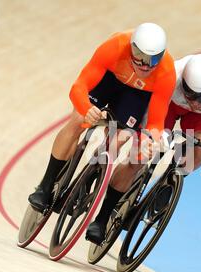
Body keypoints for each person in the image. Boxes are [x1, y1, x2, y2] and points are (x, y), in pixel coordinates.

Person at [27, 22, 176, 244]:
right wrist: (87, 110)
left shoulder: (166, 72)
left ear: (162, 56)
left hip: (135, 97)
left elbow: (155, 121)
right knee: (78, 120)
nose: (146, 65)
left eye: (153, 59)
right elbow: (78, 87)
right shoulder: (115, 46)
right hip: (108, 80)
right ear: (131, 47)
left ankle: (101, 216)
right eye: (140, 57)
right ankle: (46, 185)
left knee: (121, 138)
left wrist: (151, 140)